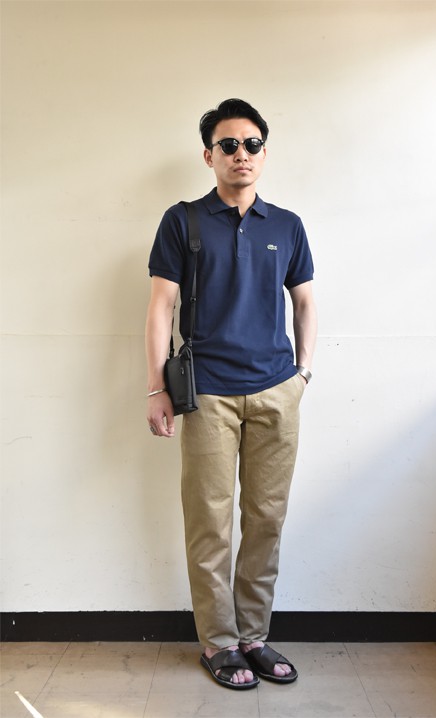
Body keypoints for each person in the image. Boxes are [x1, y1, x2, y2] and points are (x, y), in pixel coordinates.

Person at [145, 99, 317, 690]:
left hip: (276, 391)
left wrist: (302, 374)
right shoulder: (183, 220)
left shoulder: (287, 225)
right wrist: (155, 387)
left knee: (266, 519)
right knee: (210, 522)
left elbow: (305, 301)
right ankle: (219, 642)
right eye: (228, 145)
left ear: (264, 153)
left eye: (251, 144)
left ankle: (254, 637)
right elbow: (161, 307)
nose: (241, 154)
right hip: (208, 395)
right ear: (209, 155)